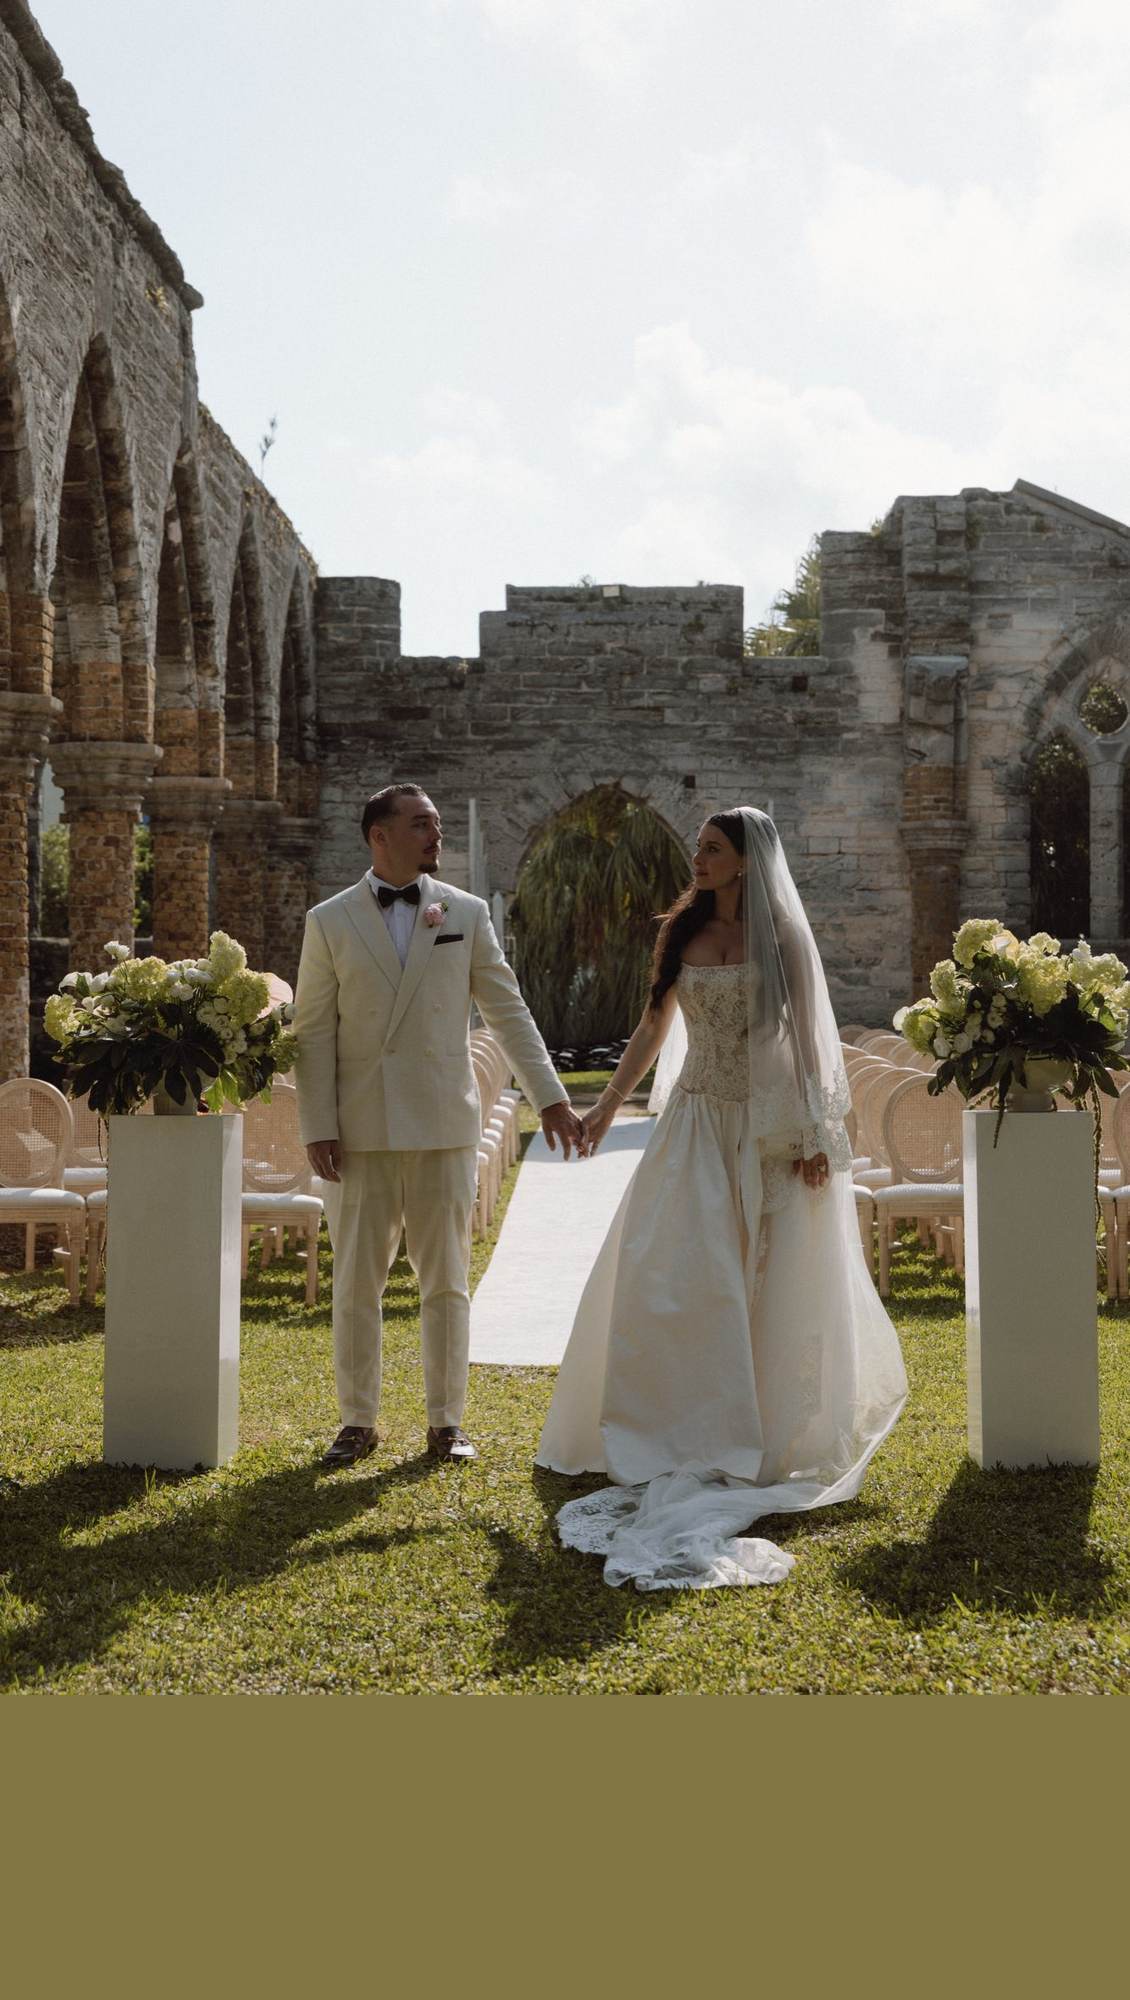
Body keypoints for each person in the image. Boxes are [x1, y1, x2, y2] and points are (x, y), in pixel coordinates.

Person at [535, 806, 907, 1589]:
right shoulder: (681, 932)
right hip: (696, 1124)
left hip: (768, 1132)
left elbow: (810, 1044)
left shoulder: (788, 942)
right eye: (698, 849)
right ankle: (671, 1423)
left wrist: (813, 1137)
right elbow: (651, 1027)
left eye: (711, 849)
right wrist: (605, 1107)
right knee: (676, 1275)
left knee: (766, 1277)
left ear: (745, 860)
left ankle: (763, 1430)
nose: (697, 859)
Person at [294, 783, 585, 1468]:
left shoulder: (468, 912)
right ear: (379, 837)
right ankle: (357, 1422)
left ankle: (446, 1423)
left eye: (439, 824)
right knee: (356, 1285)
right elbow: (310, 1033)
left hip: (443, 1122)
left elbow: (507, 1011)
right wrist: (318, 1125)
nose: (436, 836)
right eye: (421, 824)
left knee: (447, 1282)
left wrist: (549, 1097)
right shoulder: (329, 921)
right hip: (358, 1132)